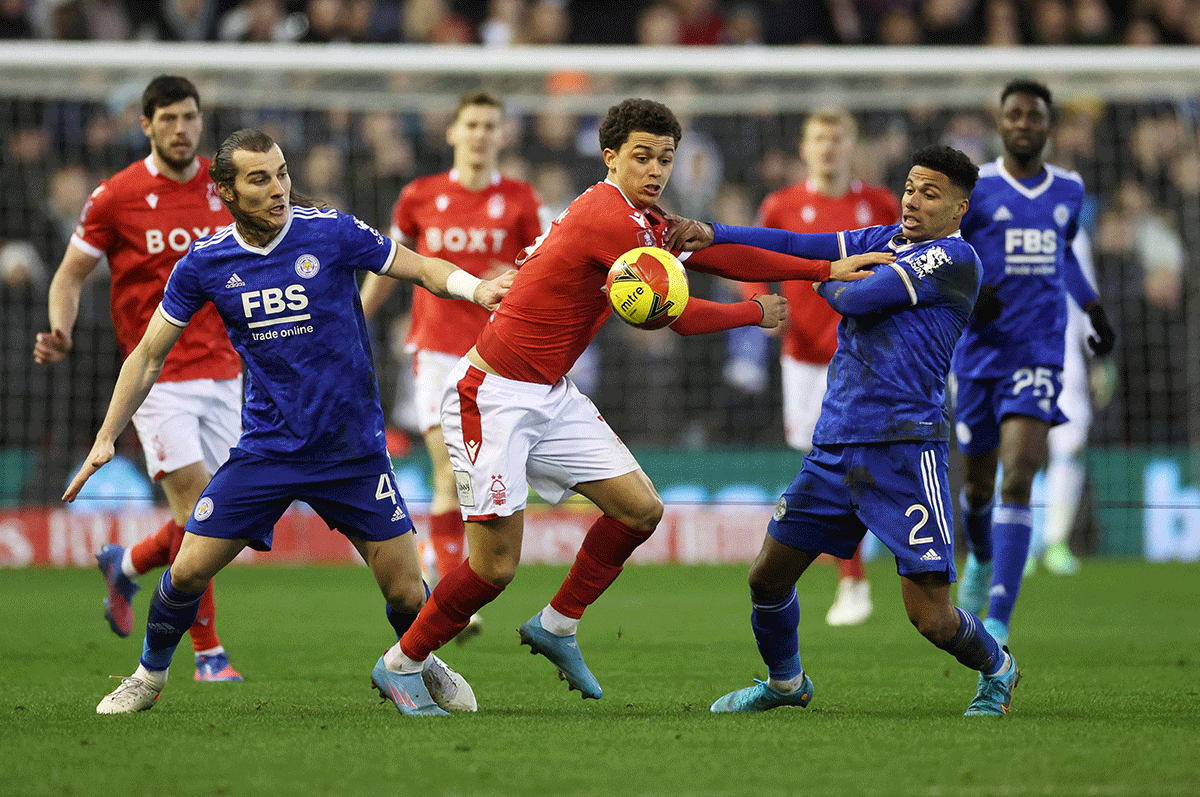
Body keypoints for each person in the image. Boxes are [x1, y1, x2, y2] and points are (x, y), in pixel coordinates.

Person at [383, 98, 882, 709]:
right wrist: (752, 312)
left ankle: (558, 623)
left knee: (640, 510)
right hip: (493, 397)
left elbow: (718, 252)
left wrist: (827, 266)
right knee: (494, 568)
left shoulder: (642, 218)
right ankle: (403, 662)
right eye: (641, 157)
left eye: (666, 158)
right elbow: (672, 317)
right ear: (610, 158)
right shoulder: (607, 216)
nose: (655, 169)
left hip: (550, 393)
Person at [64, 128, 511, 716]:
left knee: (406, 589)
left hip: (353, 451)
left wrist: (476, 288)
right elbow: (148, 354)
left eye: (281, 173)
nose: (278, 189)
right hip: (269, 451)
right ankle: (147, 677)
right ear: (225, 189)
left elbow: (420, 266)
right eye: (259, 179)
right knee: (189, 568)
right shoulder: (204, 263)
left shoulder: (331, 231)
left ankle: (420, 662)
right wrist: (103, 438)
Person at [667, 144, 1021, 717]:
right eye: (909, 187)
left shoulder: (954, 260)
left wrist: (820, 280)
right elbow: (789, 246)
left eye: (930, 194)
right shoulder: (879, 240)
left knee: (930, 616)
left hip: (905, 450)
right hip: (835, 444)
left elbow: (854, 296)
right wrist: (707, 234)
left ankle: (998, 667)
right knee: (767, 578)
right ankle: (786, 684)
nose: (912, 200)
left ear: (959, 209)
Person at [33, 76, 246, 682]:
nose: (181, 128)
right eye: (169, 119)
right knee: (200, 511)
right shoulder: (116, 196)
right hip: (157, 378)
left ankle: (126, 565)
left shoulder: (224, 187)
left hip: (228, 371)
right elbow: (70, 275)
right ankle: (208, 651)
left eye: (190, 117)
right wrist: (61, 328)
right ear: (146, 125)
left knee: (223, 520)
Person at [359, 91, 546, 643]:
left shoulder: (519, 200)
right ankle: (445, 588)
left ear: (502, 135)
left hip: (496, 356)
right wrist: (355, 319)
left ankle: (437, 563)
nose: (481, 134)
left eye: (491, 125)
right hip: (436, 349)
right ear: (453, 133)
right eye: (473, 124)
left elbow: (537, 270)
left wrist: (512, 269)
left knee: (470, 477)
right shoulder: (420, 195)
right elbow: (389, 264)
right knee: (446, 468)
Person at [952, 80, 1115, 647]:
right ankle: (979, 557)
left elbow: (1063, 251)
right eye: (1014, 114)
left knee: (1018, 476)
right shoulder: (976, 189)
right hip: (978, 355)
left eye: (1034, 115)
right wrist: (977, 291)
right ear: (1000, 124)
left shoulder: (1069, 189)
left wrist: (1091, 307)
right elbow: (950, 253)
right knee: (977, 489)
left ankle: (998, 617)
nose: (1023, 123)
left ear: (1048, 125)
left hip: (1040, 350)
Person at [746, 108, 900, 626]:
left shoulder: (878, 205)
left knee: (848, 468)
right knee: (827, 470)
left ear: (852, 145)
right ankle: (854, 576)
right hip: (804, 361)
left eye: (838, 138)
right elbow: (749, 259)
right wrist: (757, 304)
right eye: (819, 138)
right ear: (804, 147)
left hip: (864, 361)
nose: (829, 147)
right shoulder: (782, 205)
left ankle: (855, 581)